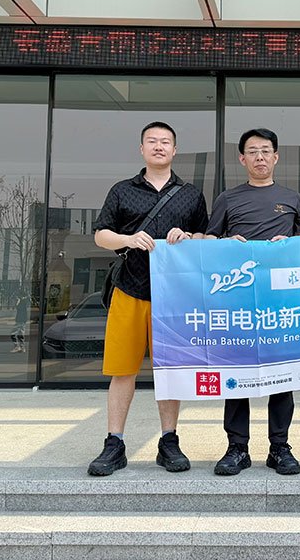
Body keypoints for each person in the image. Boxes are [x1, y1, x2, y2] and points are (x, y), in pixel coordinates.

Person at [87, 120, 210, 477]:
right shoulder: (122, 191)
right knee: (122, 371)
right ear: (142, 149)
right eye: (152, 141)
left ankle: (169, 441)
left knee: (170, 372)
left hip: (174, 297)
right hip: (130, 289)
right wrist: (128, 239)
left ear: (175, 150)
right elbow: (101, 235)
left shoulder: (190, 194)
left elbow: (206, 237)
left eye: (165, 142)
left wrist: (188, 237)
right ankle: (114, 443)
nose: (159, 146)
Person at [205, 127, 300, 476]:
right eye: (253, 151)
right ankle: (237, 448)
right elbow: (208, 241)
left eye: (266, 151)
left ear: (276, 157)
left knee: (282, 376)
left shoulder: (291, 197)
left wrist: (291, 245)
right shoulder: (228, 198)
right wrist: (225, 243)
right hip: (239, 301)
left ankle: (280, 447)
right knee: (237, 375)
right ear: (242, 158)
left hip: (281, 303)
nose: (260, 157)